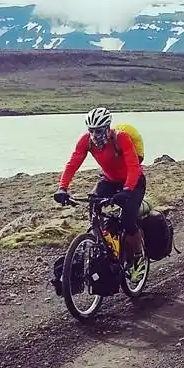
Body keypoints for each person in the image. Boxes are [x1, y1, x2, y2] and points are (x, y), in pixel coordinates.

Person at [54, 106, 146, 260]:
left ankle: (138, 256)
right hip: (110, 181)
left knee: (128, 220)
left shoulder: (121, 138)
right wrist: (62, 188)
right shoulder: (86, 141)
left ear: (107, 128)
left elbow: (133, 167)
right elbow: (72, 164)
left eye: (98, 131)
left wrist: (128, 189)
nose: (94, 135)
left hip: (134, 182)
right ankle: (103, 244)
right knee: (94, 208)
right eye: (91, 130)